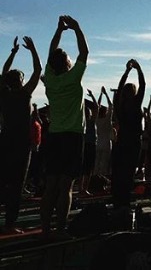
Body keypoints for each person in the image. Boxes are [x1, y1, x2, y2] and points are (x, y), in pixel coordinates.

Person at [40, 15, 89, 237]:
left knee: (51, 186)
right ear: (68, 64)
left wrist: (58, 31)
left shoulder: (49, 78)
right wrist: (77, 28)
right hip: (72, 136)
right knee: (65, 187)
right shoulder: (73, 78)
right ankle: (60, 229)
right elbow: (84, 53)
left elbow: (51, 52)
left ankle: (45, 229)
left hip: (54, 136)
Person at [0, 36, 42, 233]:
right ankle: (9, 224)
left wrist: (13, 53)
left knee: (2, 180)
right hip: (21, 144)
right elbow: (38, 70)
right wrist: (32, 50)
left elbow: (4, 72)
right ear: (21, 81)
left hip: (5, 139)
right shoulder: (24, 94)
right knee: (16, 185)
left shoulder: (4, 93)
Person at [112, 59, 145, 210]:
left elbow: (119, 89)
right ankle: (124, 200)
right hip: (133, 142)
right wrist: (138, 69)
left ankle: (117, 199)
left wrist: (126, 71)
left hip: (121, 141)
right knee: (129, 172)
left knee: (119, 172)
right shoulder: (135, 104)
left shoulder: (120, 106)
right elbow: (143, 85)